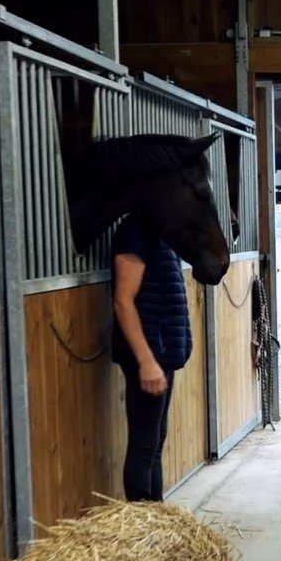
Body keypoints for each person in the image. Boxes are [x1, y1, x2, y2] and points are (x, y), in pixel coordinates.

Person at [110, 212, 193, 503]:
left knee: (155, 442)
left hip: (161, 354)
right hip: (147, 356)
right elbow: (123, 301)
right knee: (144, 445)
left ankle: (156, 517)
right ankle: (140, 520)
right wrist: (146, 362)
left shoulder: (160, 231)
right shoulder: (136, 232)